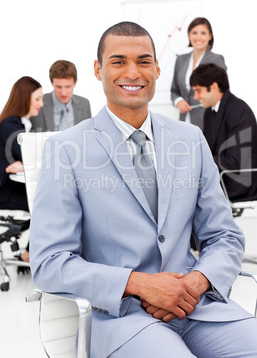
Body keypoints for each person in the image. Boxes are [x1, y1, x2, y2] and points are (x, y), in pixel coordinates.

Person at [30, 22, 257, 358]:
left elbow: (225, 235)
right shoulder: (66, 149)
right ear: (98, 69)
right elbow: (50, 262)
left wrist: (195, 283)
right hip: (121, 318)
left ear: (157, 68)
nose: (133, 72)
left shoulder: (190, 141)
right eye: (119, 61)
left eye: (144, 61)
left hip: (195, 306)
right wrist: (140, 284)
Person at [190, 63, 257, 202]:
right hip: (221, 178)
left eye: (198, 90)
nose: (196, 96)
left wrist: (197, 162)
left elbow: (235, 161)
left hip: (237, 183)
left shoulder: (238, 111)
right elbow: (207, 150)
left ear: (214, 87)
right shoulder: (209, 112)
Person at [0, 76, 43, 263]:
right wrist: (27, 163)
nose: (41, 104)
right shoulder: (10, 123)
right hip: (5, 191)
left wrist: (26, 164)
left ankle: (30, 252)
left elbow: (31, 159)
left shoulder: (26, 124)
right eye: (37, 99)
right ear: (25, 99)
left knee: (48, 200)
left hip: (14, 186)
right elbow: (29, 155)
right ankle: (29, 254)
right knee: (44, 204)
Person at [171, 17, 227, 130]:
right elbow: (174, 90)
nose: (198, 37)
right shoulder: (181, 60)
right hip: (184, 121)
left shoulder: (216, 60)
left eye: (203, 33)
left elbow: (223, 92)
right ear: (189, 35)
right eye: (194, 33)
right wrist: (178, 101)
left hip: (209, 122)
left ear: (210, 36)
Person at [30, 59, 91, 131]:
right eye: (59, 87)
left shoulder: (84, 104)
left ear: (75, 82)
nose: (63, 93)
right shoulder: (38, 103)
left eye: (68, 87)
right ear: (52, 83)